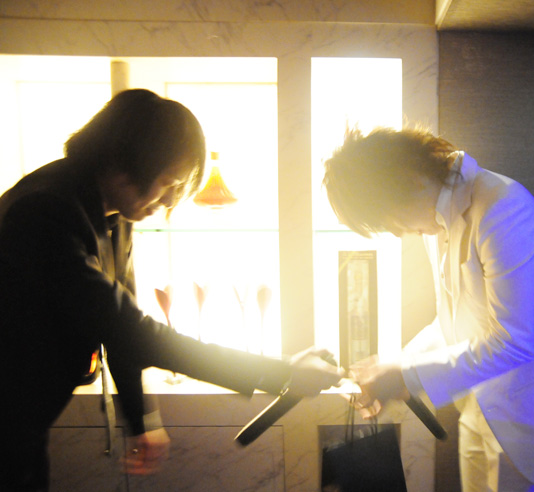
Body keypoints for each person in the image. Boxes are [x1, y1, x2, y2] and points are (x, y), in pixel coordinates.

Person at [0, 89, 342, 491]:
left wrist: (141, 419)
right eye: (168, 184)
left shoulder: (110, 213)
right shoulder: (44, 212)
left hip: (23, 418)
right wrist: (282, 372)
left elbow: (118, 323)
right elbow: (130, 329)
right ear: (125, 162)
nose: (168, 202)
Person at [323, 127, 534, 492]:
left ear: (411, 180)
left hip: (531, 415)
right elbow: (453, 324)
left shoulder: (503, 209)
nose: (396, 232)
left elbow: (514, 341)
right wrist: (394, 365)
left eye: (391, 218)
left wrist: (406, 374)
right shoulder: (437, 218)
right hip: (478, 407)